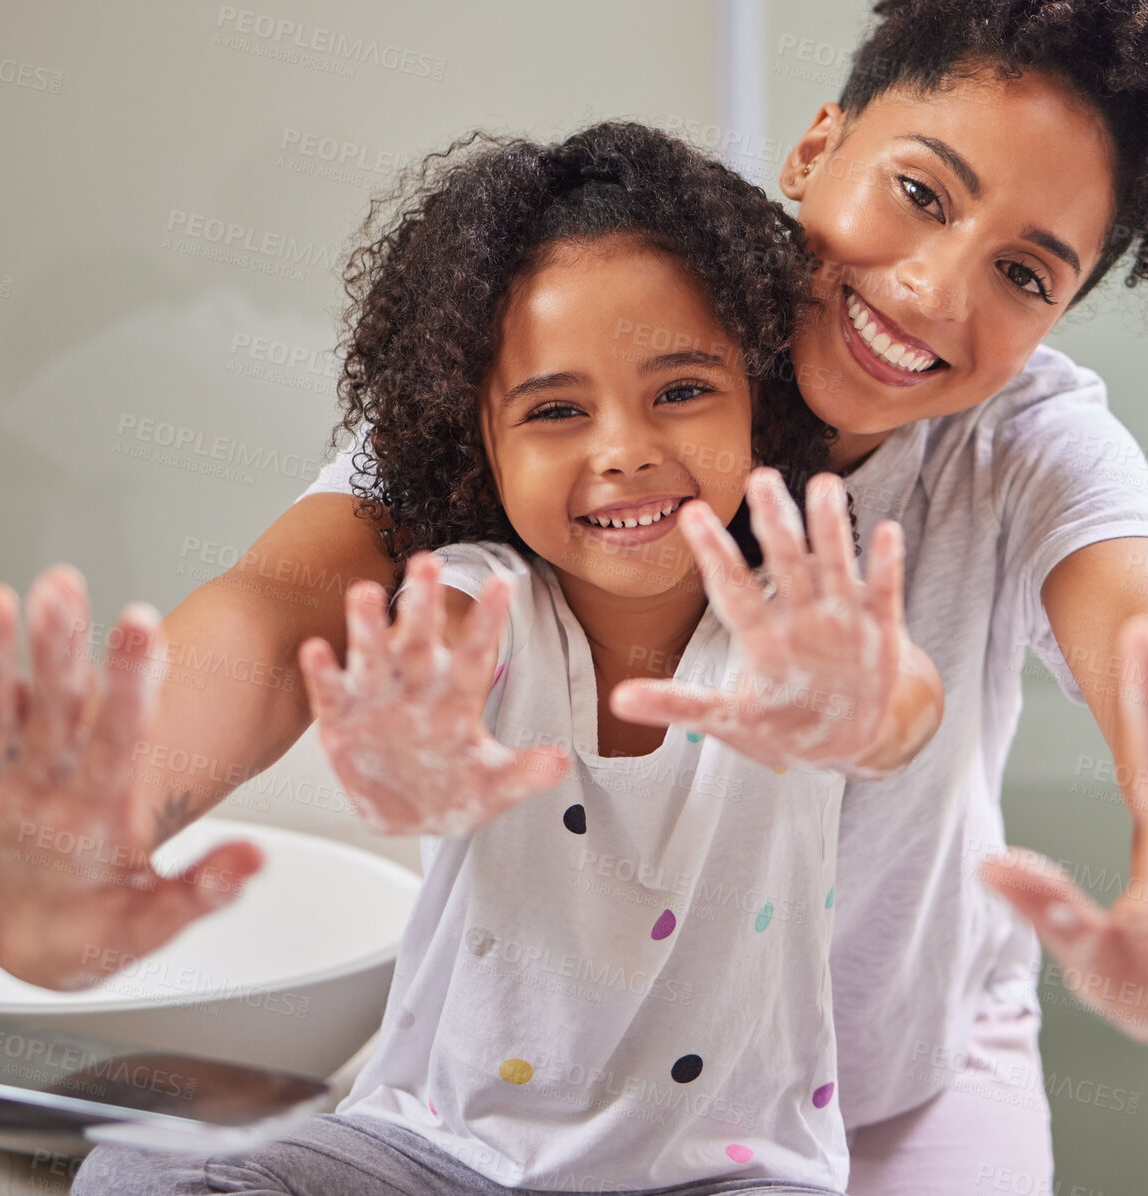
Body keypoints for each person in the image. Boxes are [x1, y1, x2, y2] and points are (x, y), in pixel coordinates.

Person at [0, 2, 1148, 1192]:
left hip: (898, 1079)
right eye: (918, 192)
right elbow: (291, 601)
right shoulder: (592, 325)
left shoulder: (1025, 445)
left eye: (1024, 271)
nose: (934, 291)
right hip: (578, 1087)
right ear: (818, 145)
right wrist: (97, 809)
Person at [69, 121, 942, 1195]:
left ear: (756, 393)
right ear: (474, 439)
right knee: (140, 1165)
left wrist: (861, 709)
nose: (620, 448)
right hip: (434, 1150)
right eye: (555, 411)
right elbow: (436, 646)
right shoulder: (486, 589)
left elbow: (898, 695)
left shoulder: (796, 608)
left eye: (679, 389)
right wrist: (408, 731)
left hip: (729, 1172)